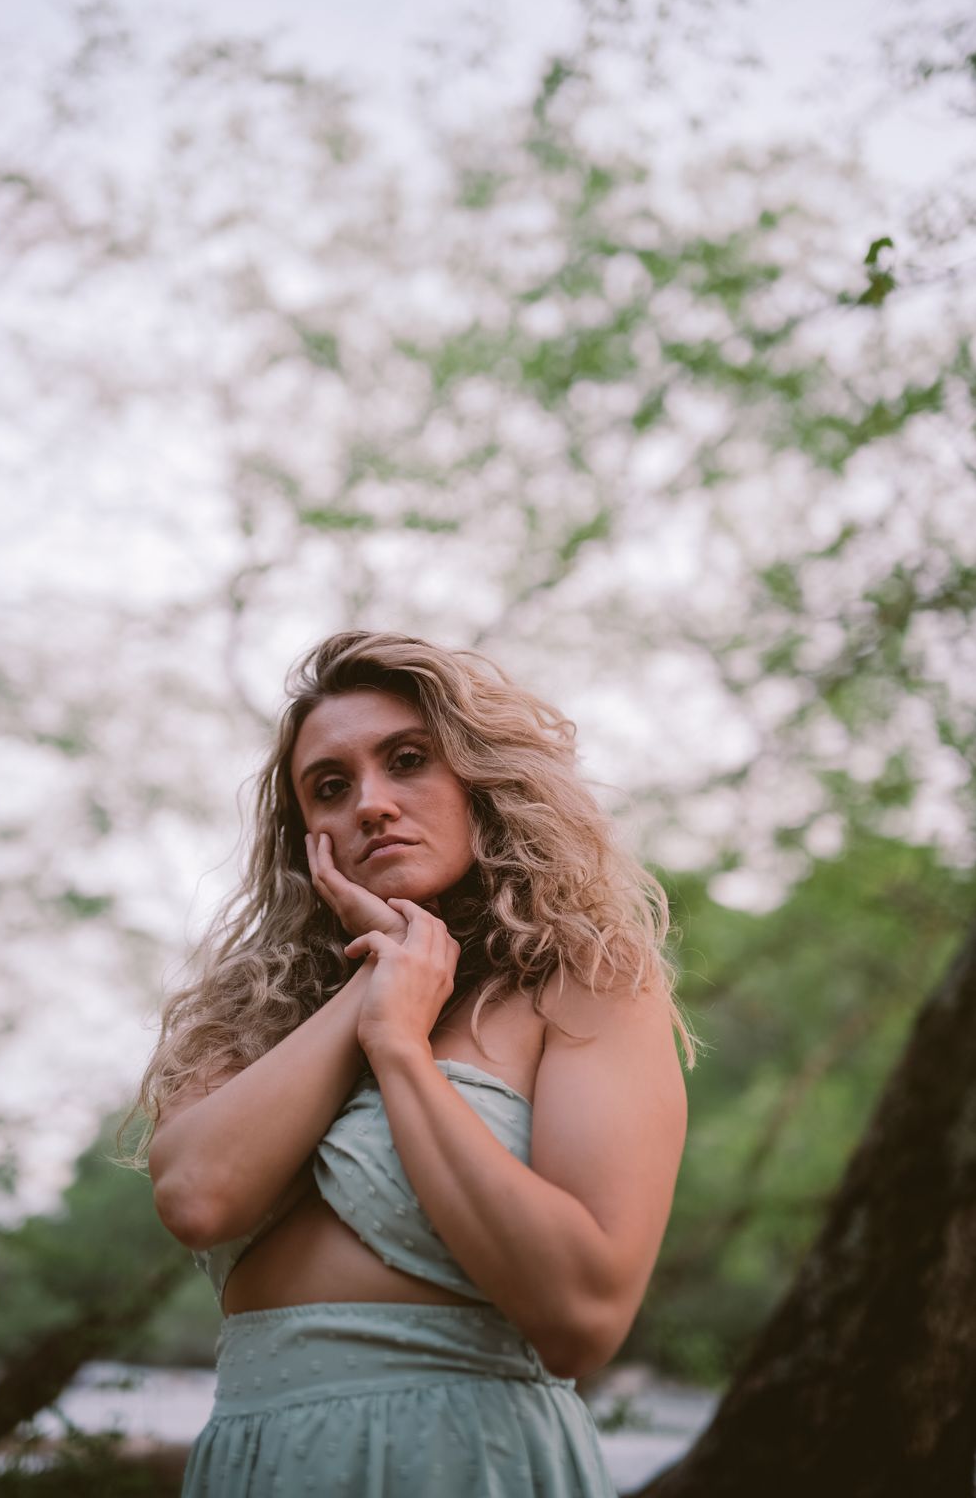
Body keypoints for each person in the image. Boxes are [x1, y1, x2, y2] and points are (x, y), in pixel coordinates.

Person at [127, 629, 696, 1496]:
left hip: (472, 1457)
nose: (371, 803)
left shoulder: (585, 984)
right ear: (306, 838)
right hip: (259, 1463)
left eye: (407, 760)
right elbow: (199, 1196)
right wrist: (378, 985)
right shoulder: (246, 1016)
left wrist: (401, 1052)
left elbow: (581, 1316)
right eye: (330, 787)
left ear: (480, 781)